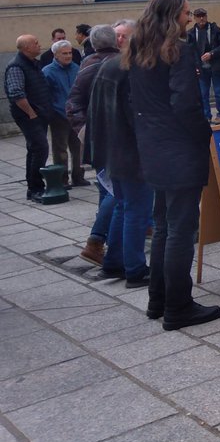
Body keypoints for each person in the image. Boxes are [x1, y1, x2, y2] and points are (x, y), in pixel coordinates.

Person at [126, 0, 220, 330]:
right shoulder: (180, 50)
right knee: (182, 229)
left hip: (153, 148)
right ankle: (179, 306)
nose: (187, 17)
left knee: (165, 226)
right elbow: (185, 103)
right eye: (183, 12)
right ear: (172, 16)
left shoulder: (138, 48)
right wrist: (205, 134)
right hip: (179, 149)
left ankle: (159, 300)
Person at [88, 47, 152, 288]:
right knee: (137, 210)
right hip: (131, 152)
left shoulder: (110, 65)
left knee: (123, 206)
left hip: (112, 149)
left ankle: (114, 262)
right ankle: (135, 269)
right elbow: (138, 115)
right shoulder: (131, 69)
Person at [66, 23, 124, 265]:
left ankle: (103, 239)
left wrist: (83, 131)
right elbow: (75, 103)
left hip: (99, 137)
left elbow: (74, 103)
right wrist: (85, 130)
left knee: (106, 189)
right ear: (116, 41)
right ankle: (96, 240)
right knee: (117, 191)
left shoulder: (88, 63)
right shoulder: (109, 64)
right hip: (112, 138)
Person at [6, 35, 53, 200]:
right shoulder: (17, 67)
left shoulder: (33, 64)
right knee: (40, 148)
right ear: (26, 48)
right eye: (36, 43)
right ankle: (35, 188)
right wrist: (31, 114)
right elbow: (16, 94)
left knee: (34, 149)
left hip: (40, 114)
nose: (39, 45)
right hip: (29, 116)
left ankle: (34, 187)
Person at [42, 40, 84, 186]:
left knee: (78, 148)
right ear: (55, 55)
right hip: (59, 115)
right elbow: (45, 95)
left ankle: (78, 177)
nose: (68, 56)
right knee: (60, 150)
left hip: (76, 114)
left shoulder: (76, 68)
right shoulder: (48, 71)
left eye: (70, 53)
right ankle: (62, 179)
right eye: (64, 53)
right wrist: (52, 112)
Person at [186, 8, 220, 124]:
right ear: (195, 18)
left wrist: (212, 53)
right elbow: (189, 52)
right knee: (202, 94)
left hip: (216, 66)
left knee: (219, 92)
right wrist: (194, 66)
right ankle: (206, 116)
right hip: (201, 68)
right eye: (199, 16)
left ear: (206, 16)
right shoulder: (190, 33)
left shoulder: (215, 29)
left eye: (203, 16)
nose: (201, 18)